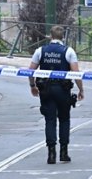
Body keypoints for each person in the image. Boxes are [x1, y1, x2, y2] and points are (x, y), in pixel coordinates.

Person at [29, 25, 85, 164]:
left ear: (50, 36)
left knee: (50, 120)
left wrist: (32, 86)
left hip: (45, 90)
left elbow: (30, 71)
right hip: (63, 90)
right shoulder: (69, 51)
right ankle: (64, 152)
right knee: (64, 120)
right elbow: (76, 73)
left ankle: (51, 154)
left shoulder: (40, 50)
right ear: (63, 37)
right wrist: (81, 89)